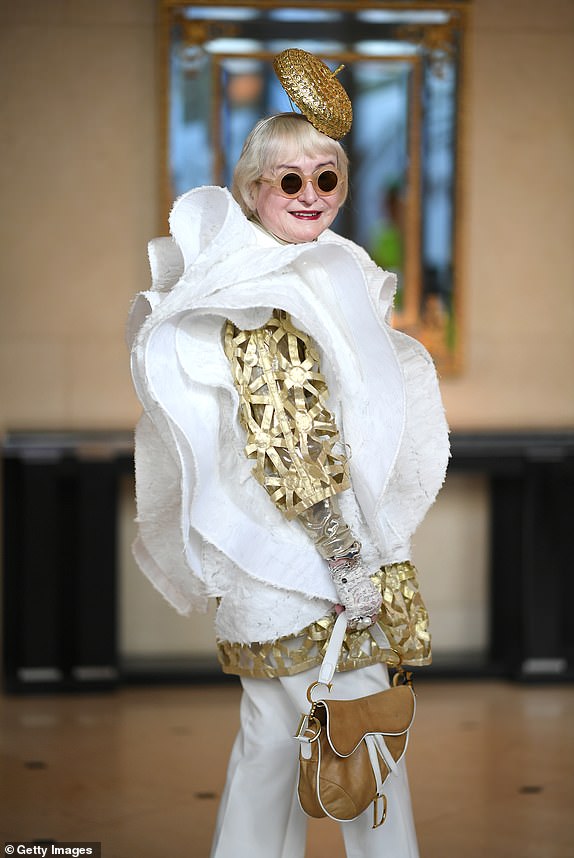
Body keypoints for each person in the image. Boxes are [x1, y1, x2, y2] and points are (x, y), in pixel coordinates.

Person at [128, 49, 449, 858]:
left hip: (278, 562)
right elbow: (288, 442)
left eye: (326, 179)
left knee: (276, 740)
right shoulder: (263, 295)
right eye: (289, 181)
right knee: (362, 740)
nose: (311, 197)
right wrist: (346, 562)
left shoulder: (295, 276)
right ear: (252, 191)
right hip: (303, 560)